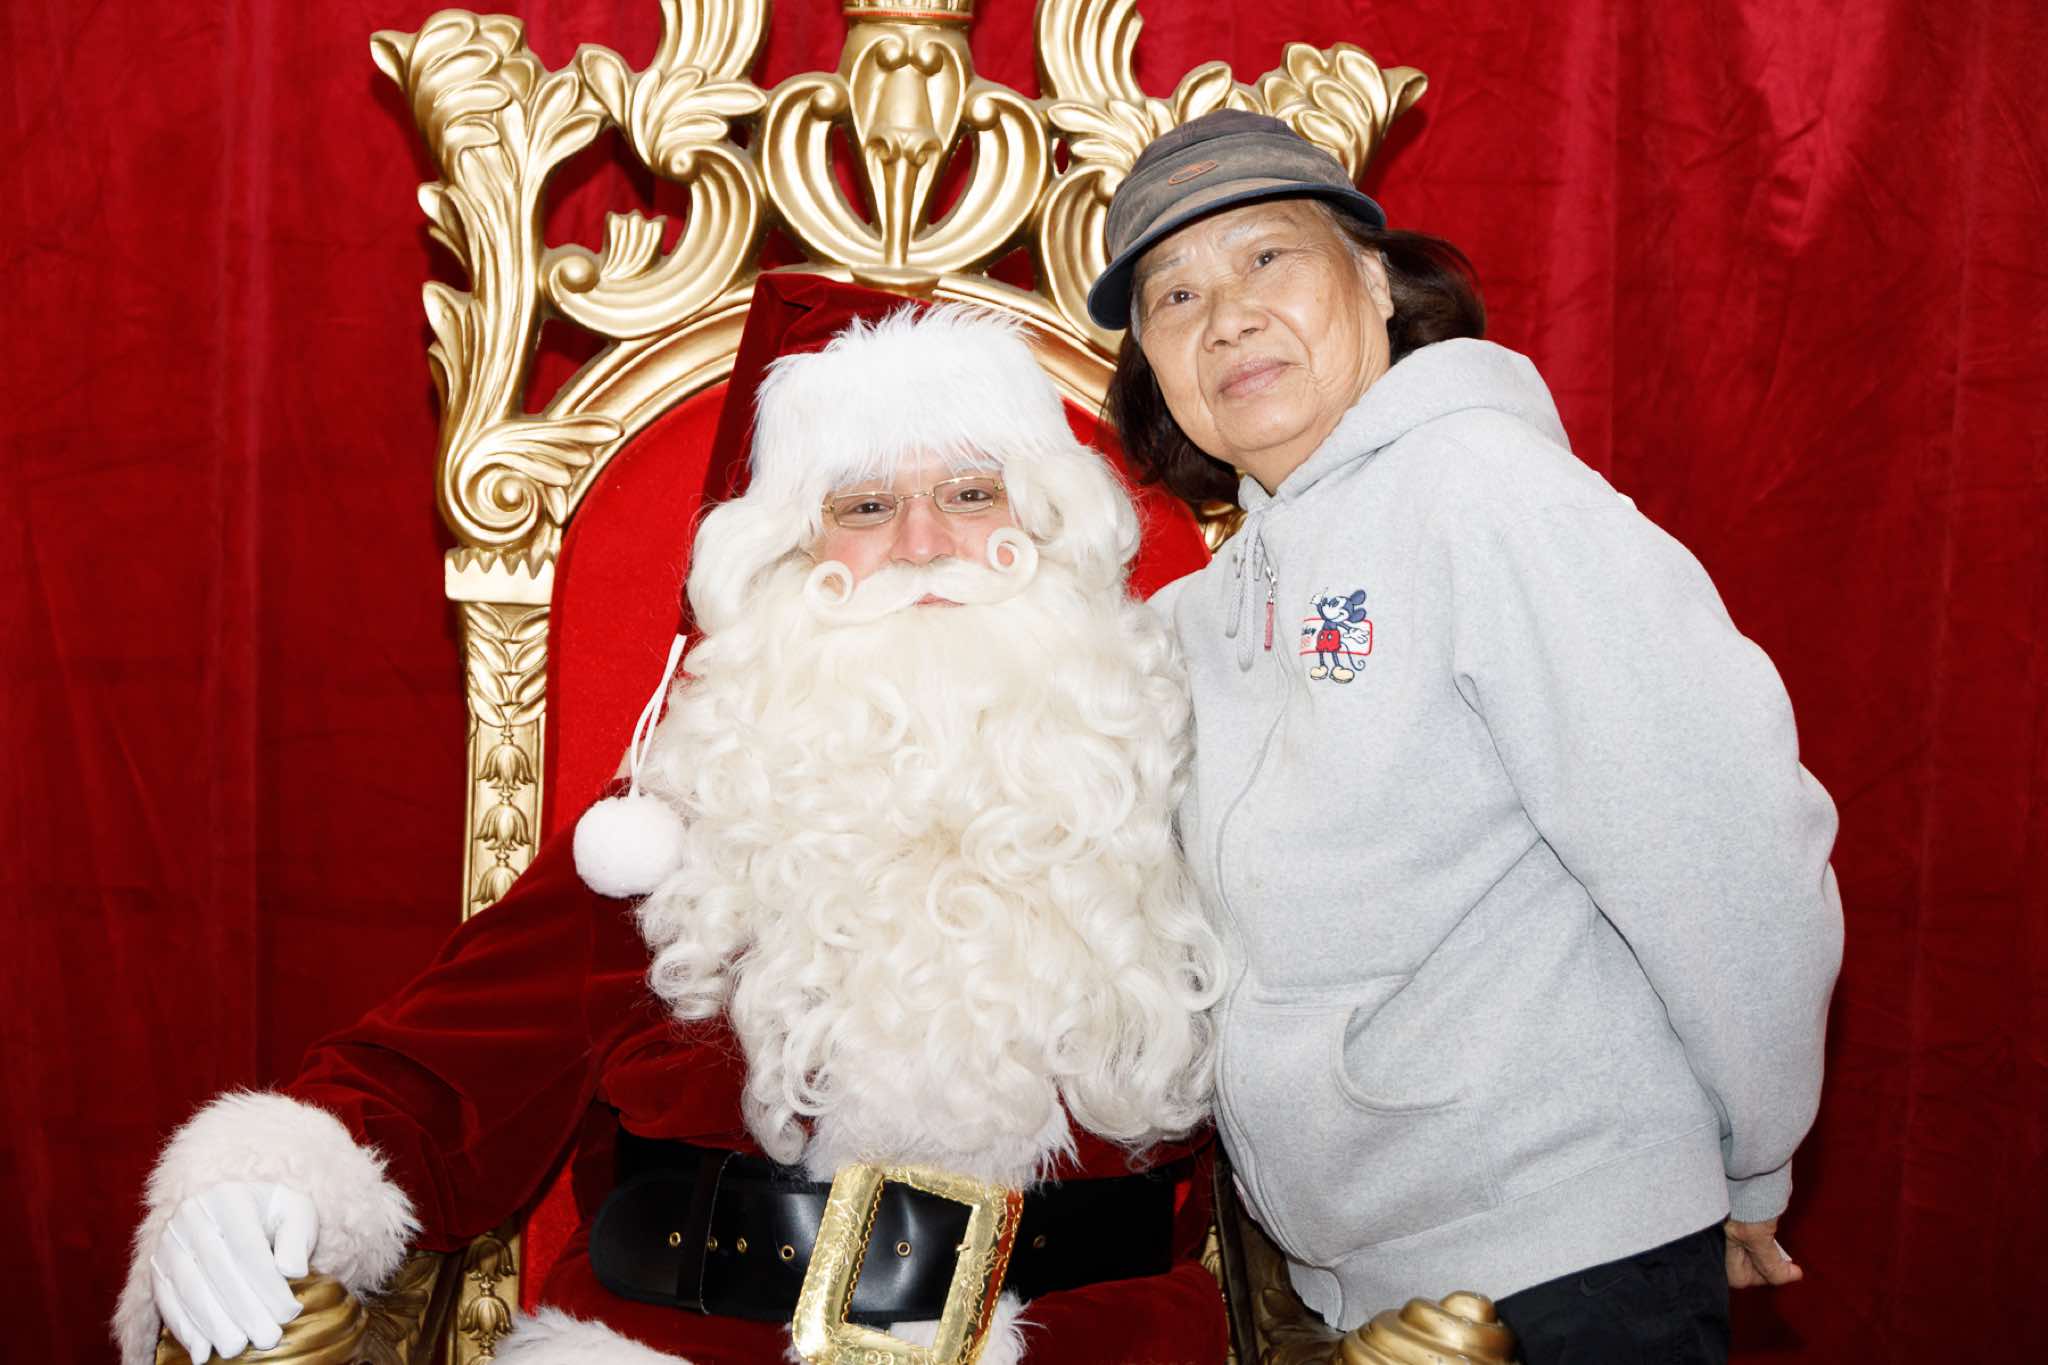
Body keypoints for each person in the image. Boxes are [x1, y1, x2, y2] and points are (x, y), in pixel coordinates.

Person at [115, 278, 1230, 1365]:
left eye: (972, 493)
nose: (924, 542)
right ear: (790, 559)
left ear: (1047, 523)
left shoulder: (1173, 793)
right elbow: (435, 1074)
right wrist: (265, 1183)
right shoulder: (683, 822)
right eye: (864, 507)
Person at [1087, 109, 1845, 1364]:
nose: (1224, 317)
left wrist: (1750, 1156)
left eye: (1267, 257)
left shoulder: (1489, 497)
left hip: (1564, 1266)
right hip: (1339, 1300)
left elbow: (1723, 845)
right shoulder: (1195, 619)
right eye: (1173, 296)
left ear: (1377, 281)